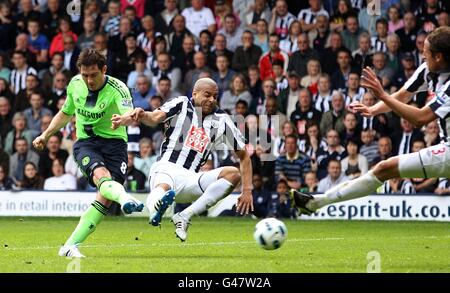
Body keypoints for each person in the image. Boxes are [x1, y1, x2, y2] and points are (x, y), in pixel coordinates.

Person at [289, 26, 450, 215]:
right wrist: (373, 109)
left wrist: (382, 95)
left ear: (439, 57)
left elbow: (420, 118)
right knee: (383, 168)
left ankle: (315, 203)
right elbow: (402, 96)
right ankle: (315, 202)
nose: (422, 57)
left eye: (426, 54)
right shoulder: (427, 70)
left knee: (384, 168)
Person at [32, 49, 144, 258]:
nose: (89, 80)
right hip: (86, 143)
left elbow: (130, 113)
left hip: (115, 144)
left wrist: (124, 119)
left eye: (93, 74)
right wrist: (45, 135)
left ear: (104, 69)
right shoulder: (75, 84)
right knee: (103, 177)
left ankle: (69, 245)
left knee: (104, 198)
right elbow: (66, 113)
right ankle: (125, 198)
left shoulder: (118, 89)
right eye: (85, 75)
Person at [111, 78, 254, 242]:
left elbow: (244, 156)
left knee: (233, 174)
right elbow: (155, 117)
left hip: (191, 179)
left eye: (215, 96)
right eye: (207, 95)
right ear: (195, 93)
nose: (212, 100)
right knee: (163, 187)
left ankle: (185, 215)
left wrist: (247, 190)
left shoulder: (222, 120)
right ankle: (154, 212)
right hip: (166, 168)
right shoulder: (182, 103)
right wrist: (141, 115)